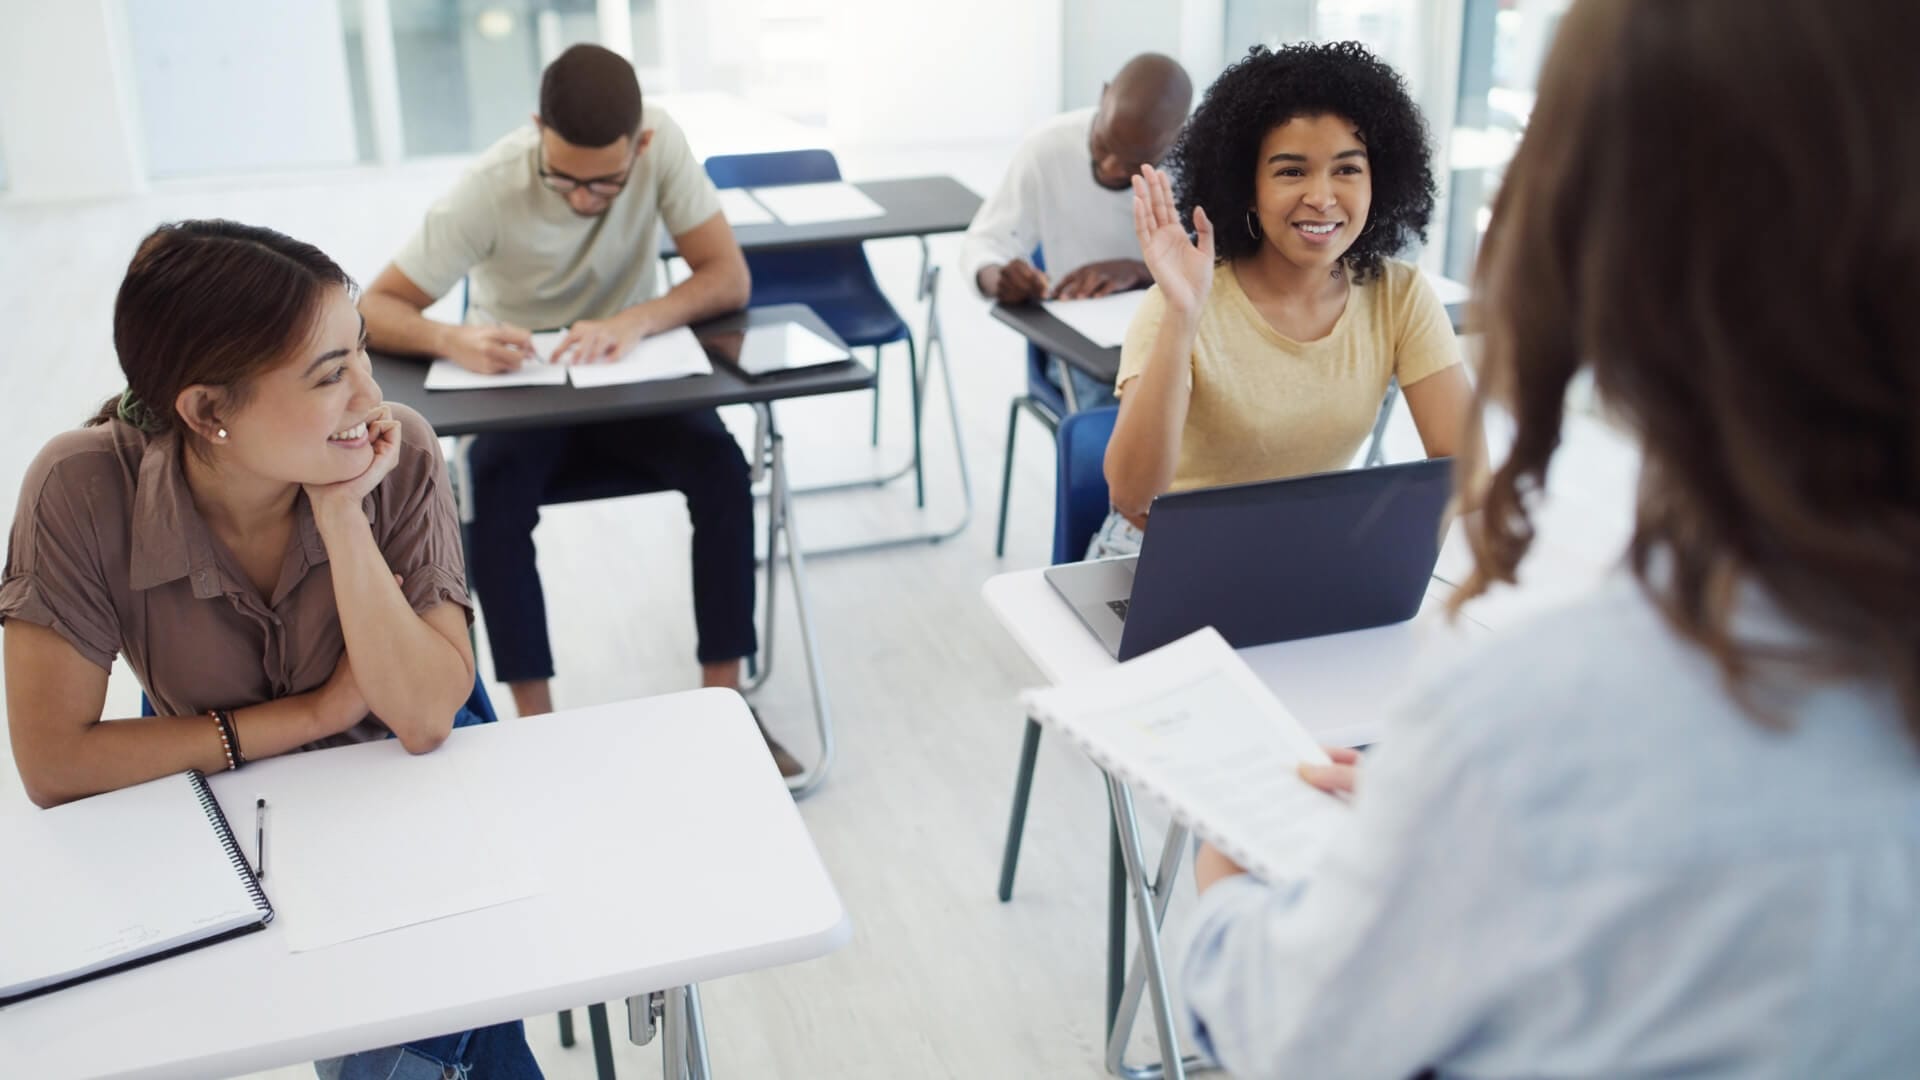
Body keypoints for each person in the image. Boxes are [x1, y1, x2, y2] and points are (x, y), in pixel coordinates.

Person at [1175, 1, 1920, 1075]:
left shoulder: (1528, 727)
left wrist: (1231, 853)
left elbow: (1285, 1026)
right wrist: (1452, 823)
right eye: (1291, 167)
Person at [0, 220, 541, 1076]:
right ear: (208, 410)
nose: (370, 399)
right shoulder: (79, 488)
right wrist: (316, 712)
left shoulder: (396, 454)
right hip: (238, 801)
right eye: (331, 376)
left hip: (401, 775)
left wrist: (340, 514)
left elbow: (425, 714)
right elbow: (54, 764)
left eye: (361, 353)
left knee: (428, 1035)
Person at [357, 44, 798, 775]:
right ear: (537, 130)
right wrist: (453, 338)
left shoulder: (664, 146)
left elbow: (728, 276)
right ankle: (538, 728)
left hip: (633, 374)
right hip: (523, 384)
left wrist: (638, 320)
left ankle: (726, 704)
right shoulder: (491, 186)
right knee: (492, 496)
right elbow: (375, 306)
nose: (585, 199)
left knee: (722, 469)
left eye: (607, 184)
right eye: (565, 179)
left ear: (642, 144)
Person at [1098, 42, 1473, 557]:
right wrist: (1183, 315)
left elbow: (1467, 471)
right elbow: (1132, 495)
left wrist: (1364, 548)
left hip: (1306, 552)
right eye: (1291, 171)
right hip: (1163, 553)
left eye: (1347, 170)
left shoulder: (1399, 295)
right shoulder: (1181, 301)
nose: (1322, 197)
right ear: (1247, 187)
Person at [961, 52, 1192, 408]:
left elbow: (1233, 272)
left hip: (1181, 343)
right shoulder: (1048, 148)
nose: (1112, 167)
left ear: (1177, 138)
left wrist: (1141, 272)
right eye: (1103, 144)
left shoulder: (1200, 167)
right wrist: (999, 278)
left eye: (1134, 161)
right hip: (1086, 354)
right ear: (1103, 96)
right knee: (1120, 413)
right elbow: (985, 241)